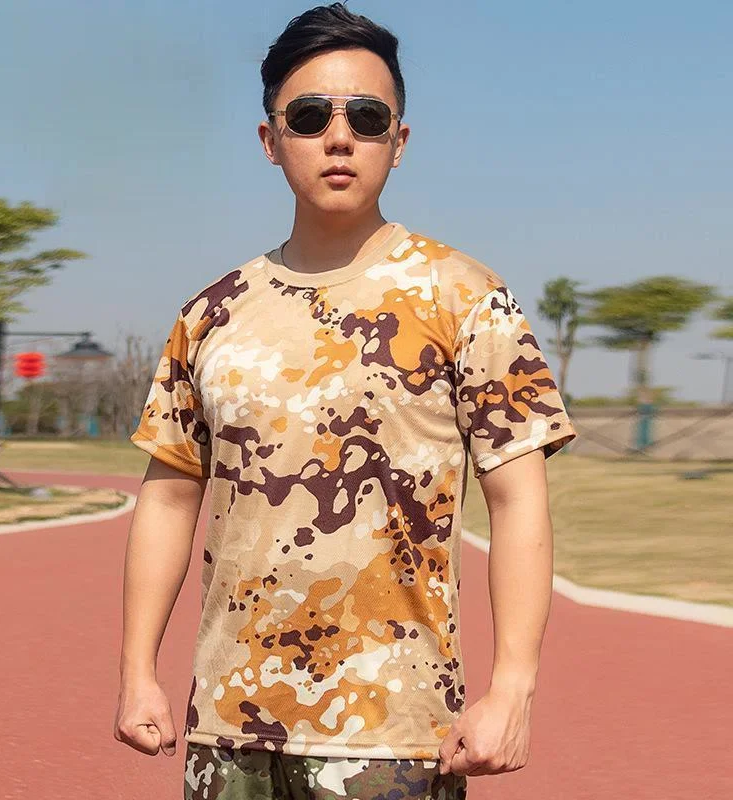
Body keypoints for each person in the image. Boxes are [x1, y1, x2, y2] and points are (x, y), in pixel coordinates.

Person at [113, 3, 578, 798]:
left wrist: (514, 689)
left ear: (399, 142)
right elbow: (169, 496)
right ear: (271, 140)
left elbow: (518, 498)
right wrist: (136, 672)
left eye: (367, 118)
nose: (339, 138)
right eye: (309, 116)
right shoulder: (212, 313)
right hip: (228, 729)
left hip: (395, 734)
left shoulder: (465, 296)